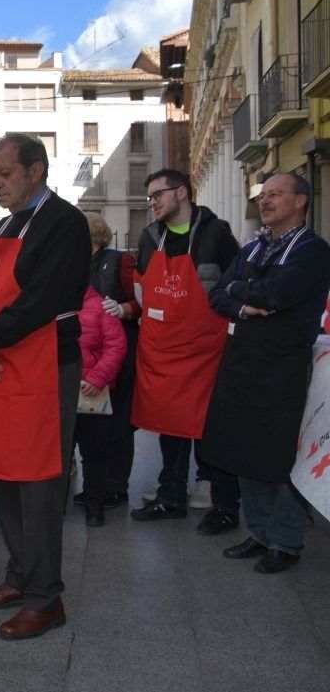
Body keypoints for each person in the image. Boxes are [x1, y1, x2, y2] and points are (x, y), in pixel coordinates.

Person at [0, 133, 89, 640]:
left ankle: (45, 597)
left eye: (6, 174)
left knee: (38, 484)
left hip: (42, 367)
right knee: (3, 475)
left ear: (36, 170)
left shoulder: (64, 223)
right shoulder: (5, 225)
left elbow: (41, 300)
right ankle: (18, 576)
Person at [202, 173, 330, 573]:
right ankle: (258, 532)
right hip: (242, 361)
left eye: (277, 194)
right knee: (244, 448)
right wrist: (243, 301)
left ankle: (286, 541)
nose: (266, 200)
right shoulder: (255, 245)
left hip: (283, 365)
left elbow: (278, 294)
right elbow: (217, 294)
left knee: (277, 454)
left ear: (301, 202)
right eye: (264, 195)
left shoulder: (312, 250)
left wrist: (242, 289)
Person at [129, 169, 242, 534]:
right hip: (163, 349)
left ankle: (224, 504)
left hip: (205, 349)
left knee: (211, 429)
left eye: (157, 195)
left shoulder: (216, 233)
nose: (153, 203)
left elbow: (237, 283)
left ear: (181, 193)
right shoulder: (149, 238)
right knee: (169, 427)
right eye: (149, 198)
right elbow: (144, 288)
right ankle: (171, 497)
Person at [76, 212, 140, 510]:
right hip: (88, 354)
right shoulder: (73, 263)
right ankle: (97, 486)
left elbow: (141, 300)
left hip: (119, 351)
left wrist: (123, 308)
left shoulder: (119, 261)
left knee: (118, 424)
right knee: (92, 430)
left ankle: (116, 485)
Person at [73, 241, 128, 527]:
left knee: (95, 456)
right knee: (58, 456)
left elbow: (116, 346)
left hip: (93, 394)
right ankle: (52, 506)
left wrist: (96, 378)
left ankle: (95, 506)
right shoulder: (48, 307)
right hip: (60, 393)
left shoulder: (100, 307)